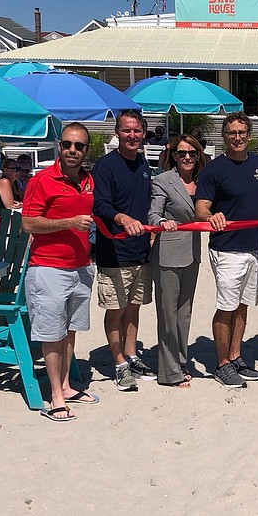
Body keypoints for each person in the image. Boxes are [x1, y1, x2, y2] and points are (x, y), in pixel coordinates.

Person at [22, 122, 97, 422]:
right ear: (59, 146)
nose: (72, 150)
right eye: (67, 144)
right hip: (48, 267)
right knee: (51, 334)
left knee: (69, 331)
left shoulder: (88, 180)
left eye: (78, 146)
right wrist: (68, 222)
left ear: (85, 150)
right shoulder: (41, 180)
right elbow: (28, 223)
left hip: (80, 266)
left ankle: (66, 386)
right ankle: (54, 396)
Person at [194, 112, 258, 388]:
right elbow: (201, 207)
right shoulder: (214, 169)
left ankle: (236, 356)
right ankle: (222, 363)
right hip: (226, 249)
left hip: (254, 248)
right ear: (224, 136)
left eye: (241, 132)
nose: (237, 137)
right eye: (231, 133)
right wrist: (210, 216)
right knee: (226, 307)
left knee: (242, 306)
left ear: (249, 135)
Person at [92, 109, 156, 392]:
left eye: (137, 131)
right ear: (117, 133)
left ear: (143, 133)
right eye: (126, 130)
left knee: (134, 307)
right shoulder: (105, 166)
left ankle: (131, 354)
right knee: (115, 310)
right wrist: (123, 218)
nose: (132, 136)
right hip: (113, 252)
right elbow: (100, 205)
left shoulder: (143, 164)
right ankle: (118, 363)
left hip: (140, 251)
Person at [148, 135, 205, 388]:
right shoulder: (163, 180)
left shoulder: (204, 180)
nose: (187, 157)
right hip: (167, 254)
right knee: (167, 315)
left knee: (184, 314)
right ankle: (169, 372)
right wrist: (161, 222)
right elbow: (153, 212)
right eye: (181, 153)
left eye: (192, 152)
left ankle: (181, 362)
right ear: (174, 156)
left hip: (192, 253)